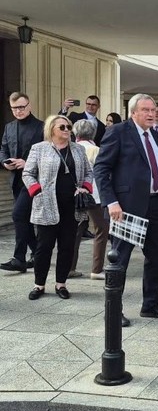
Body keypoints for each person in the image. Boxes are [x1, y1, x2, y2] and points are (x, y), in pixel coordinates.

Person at [94, 93, 158, 327]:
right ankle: (113, 311)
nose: (152, 114)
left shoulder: (156, 136)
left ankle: (150, 305)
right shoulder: (118, 132)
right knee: (120, 259)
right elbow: (101, 168)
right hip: (126, 207)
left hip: (156, 204)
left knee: (156, 256)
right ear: (133, 113)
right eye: (146, 110)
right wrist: (111, 202)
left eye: (153, 110)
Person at [22, 115, 93, 300]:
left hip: (71, 206)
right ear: (51, 129)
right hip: (46, 205)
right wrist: (37, 190)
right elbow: (28, 173)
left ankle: (61, 284)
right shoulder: (39, 148)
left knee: (67, 246)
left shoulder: (78, 149)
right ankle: (39, 285)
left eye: (69, 127)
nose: (67, 130)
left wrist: (85, 188)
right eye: (62, 127)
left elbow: (89, 172)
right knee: (43, 247)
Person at [0, 92, 43, 274]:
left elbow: (48, 154)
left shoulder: (41, 127)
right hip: (16, 180)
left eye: (21, 107)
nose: (18, 111)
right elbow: (3, 149)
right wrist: (5, 163)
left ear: (29, 106)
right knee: (23, 218)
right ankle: (38, 252)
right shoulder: (9, 127)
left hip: (34, 181)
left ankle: (19, 258)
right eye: (14, 108)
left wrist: (27, 163)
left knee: (18, 215)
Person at [69, 120, 110, 280]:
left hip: (76, 195)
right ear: (93, 133)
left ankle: (69, 267)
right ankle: (97, 269)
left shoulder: (71, 149)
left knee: (75, 231)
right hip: (95, 196)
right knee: (101, 230)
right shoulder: (96, 150)